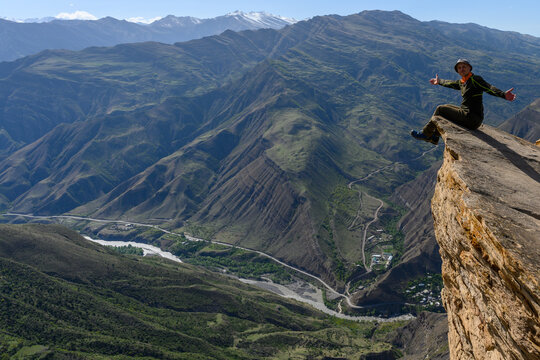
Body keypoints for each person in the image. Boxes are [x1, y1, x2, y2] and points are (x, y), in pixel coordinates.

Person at [411, 58, 516, 144]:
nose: (462, 69)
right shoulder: (462, 82)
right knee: (446, 106)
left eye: (464, 66)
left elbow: (489, 88)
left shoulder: (475, 80)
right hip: (468, 115)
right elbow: (451, 83)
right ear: (457, 71)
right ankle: (434, 136)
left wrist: (503, 95)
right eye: (459, 68)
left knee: (440, 109)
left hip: (472, 119)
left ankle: (426, 134)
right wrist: (439, 82)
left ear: (469, 68)